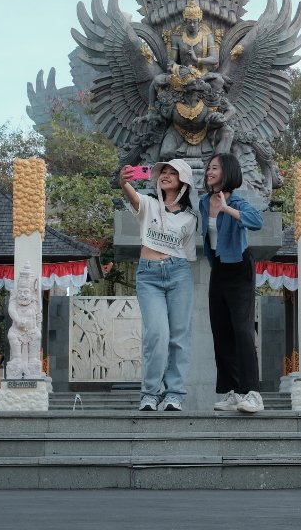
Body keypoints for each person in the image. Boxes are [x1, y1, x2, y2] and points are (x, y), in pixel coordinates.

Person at [120, 158, 199, 412]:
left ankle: (174, 394)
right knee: (156, 334)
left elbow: (187, 252)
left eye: (172, 173)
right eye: (162, 172)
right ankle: (150, 394)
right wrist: (124, 182)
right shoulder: (150, 204)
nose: (165, 175)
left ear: (182, 181)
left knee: (179, 337)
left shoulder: (189, 218)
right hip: (149, 276)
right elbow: (133, 197)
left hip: (179, 274)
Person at [199, 152, 265, 414]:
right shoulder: (205, 202)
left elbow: (257, 222)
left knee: (242, 330)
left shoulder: (237, 200)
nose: (209, 172)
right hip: (219, 268)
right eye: (208, 168)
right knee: (222, 332)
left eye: (214, 168)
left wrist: (227, 209)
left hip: (239, 267)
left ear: (227, 171)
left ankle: (253, 393)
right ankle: (234, 393)